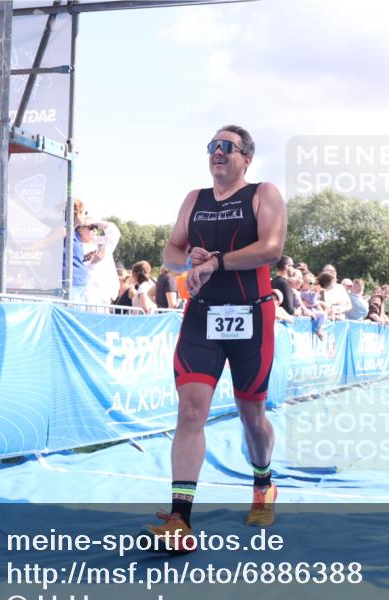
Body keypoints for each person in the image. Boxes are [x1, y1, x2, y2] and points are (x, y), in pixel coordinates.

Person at [146, 124, 287, 548]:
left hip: (251, 317)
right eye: (212, 146)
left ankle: (263, 481)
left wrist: (217, 262)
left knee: (251, 416)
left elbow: (272, 248)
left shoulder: (263, 194)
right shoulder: (195, 199)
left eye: (228, 146)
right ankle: (180, 520)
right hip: (202, 316)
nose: (218, 152)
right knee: (190, 412)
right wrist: (189, 258)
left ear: (247, 158)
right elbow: (170, 252)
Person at [82, 216, 122, 306]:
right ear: (80, 229)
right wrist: (93, 262)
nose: (94, 230)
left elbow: (115, 233)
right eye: (90, 227)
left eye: (96, 227)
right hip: (88, 293)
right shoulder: (75, 245)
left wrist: (96, 223)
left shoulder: (101, 242)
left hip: (104, 294)